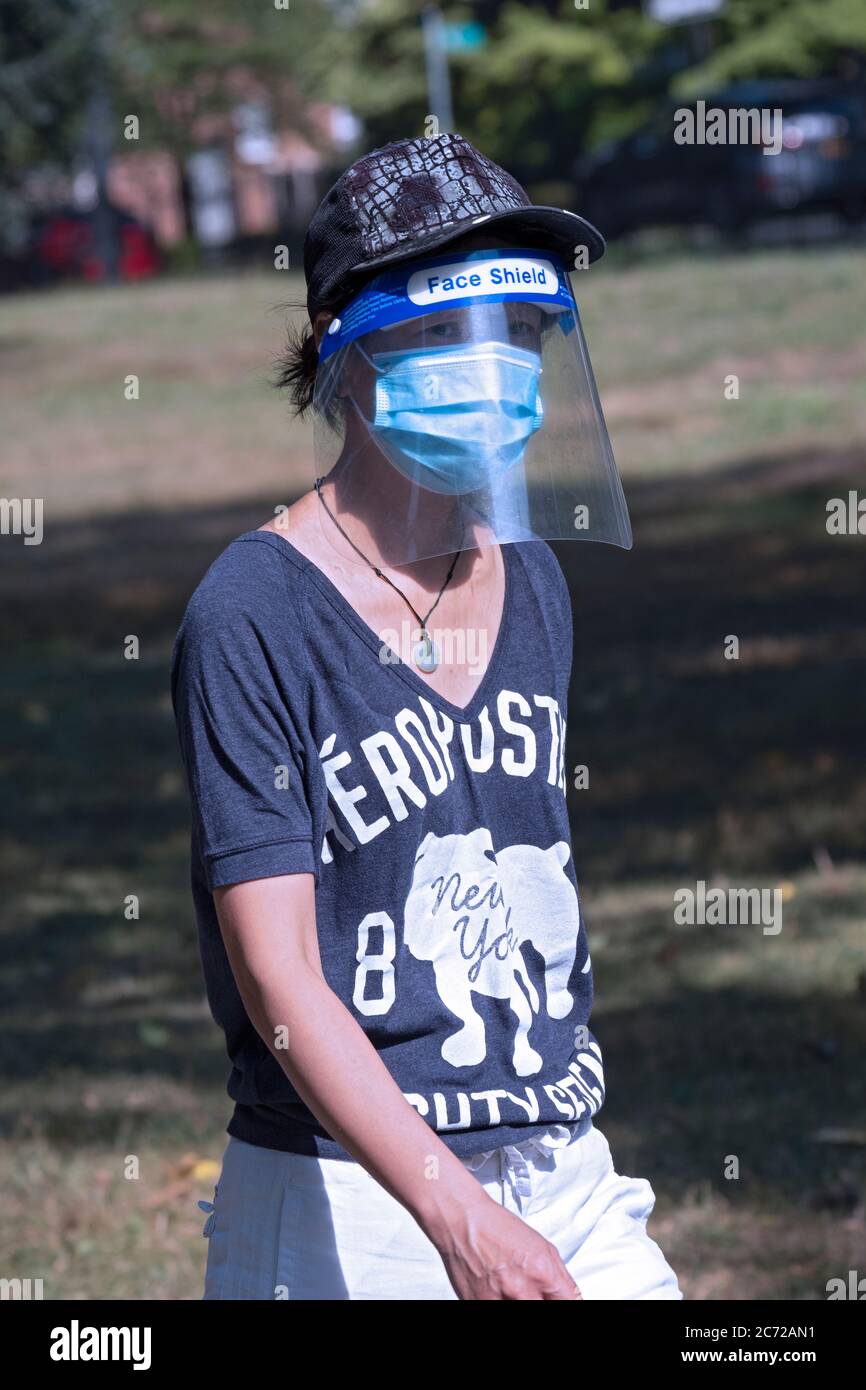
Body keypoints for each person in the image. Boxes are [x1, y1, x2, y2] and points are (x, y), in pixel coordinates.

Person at [171, 132, 683, 1301]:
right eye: (447, 330)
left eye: (517, 331)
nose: (490, 366)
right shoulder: (250, 610)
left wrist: (510, 1200)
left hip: (559, 1164)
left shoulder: (533, 579)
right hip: (347, 1192)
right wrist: (450, 1214)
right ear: (345, 358)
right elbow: (278, 972)